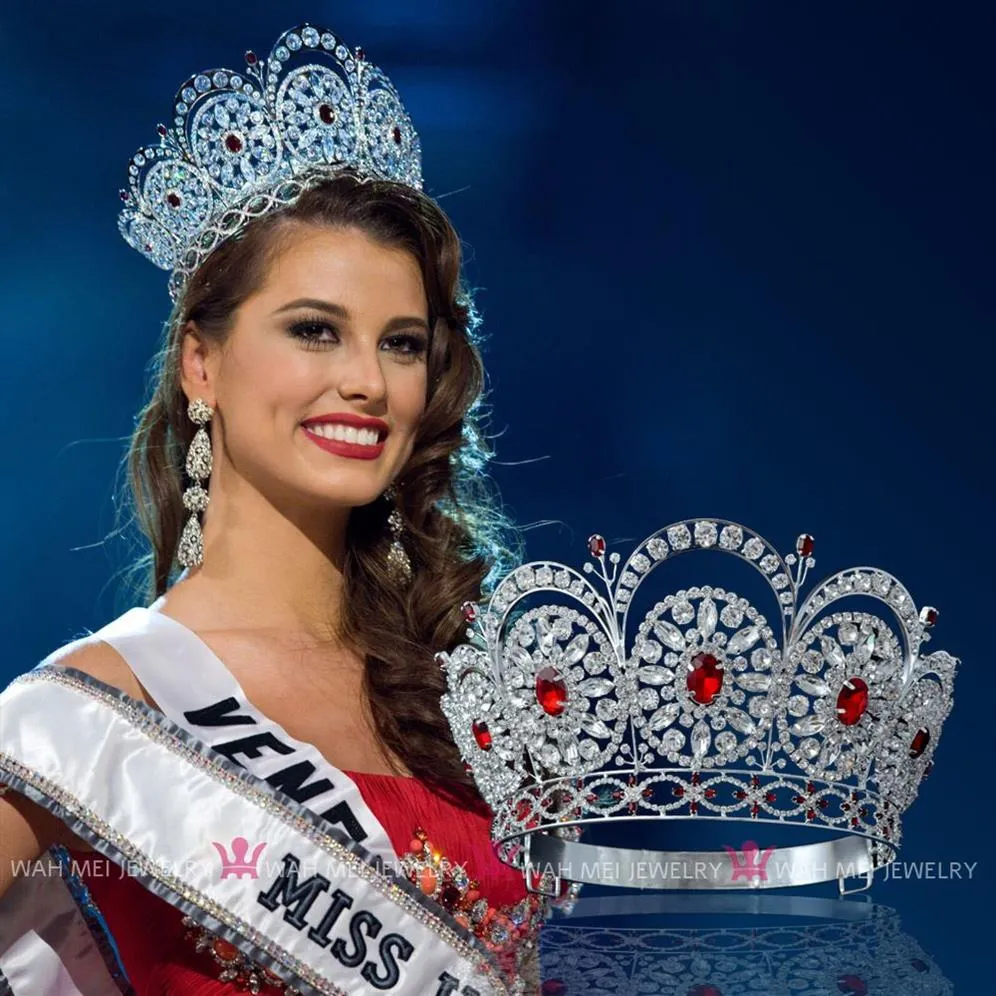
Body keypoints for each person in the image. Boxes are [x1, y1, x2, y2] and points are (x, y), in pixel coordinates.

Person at [0, 22, 551, 996]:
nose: (366, 383)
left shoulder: (463, 685)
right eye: (314, 330)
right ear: (200, 364)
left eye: (402, 345)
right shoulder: (91, 718)